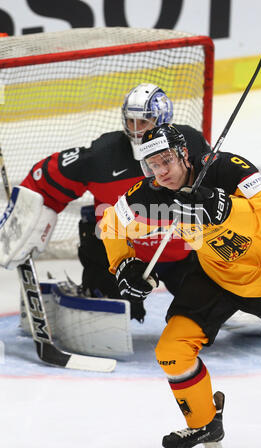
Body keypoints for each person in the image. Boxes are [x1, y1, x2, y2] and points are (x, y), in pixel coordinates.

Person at [99, 123, 261, 448]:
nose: (160, 172)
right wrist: (123, 263)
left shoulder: (228, 168)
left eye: (166, 161)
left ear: (186, 155)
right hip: (216, 276)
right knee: (171, 352)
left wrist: (227, 208)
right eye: (152, 165)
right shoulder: (154, 191)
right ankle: (205, 425)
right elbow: (110, 222)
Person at [0, 83, 210, 324]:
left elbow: (219, 183)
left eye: (143, 122)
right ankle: (98, 294)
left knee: (206, 309)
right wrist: (27, 214)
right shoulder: (104, 156)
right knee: (107, 310)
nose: (136, 130)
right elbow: (46, 178)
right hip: (120, 261)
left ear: (162, 119)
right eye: (131, 121)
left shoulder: (191, 143)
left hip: (182, 253)